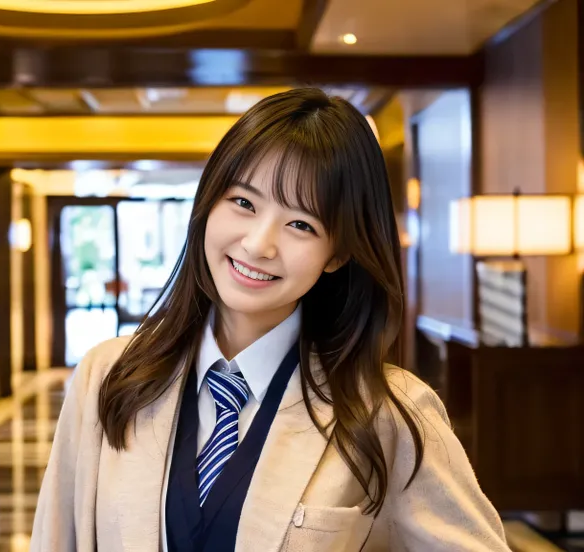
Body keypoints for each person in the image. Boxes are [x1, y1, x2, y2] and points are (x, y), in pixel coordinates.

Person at [30, 88, 511, 552]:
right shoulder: (107, 377)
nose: (259, 244)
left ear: (338, 253)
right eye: (243, 203)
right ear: (208, 203)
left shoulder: (387, 413)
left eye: (301, 224)